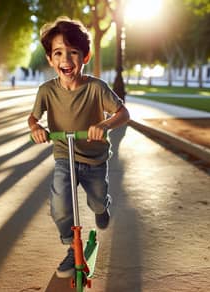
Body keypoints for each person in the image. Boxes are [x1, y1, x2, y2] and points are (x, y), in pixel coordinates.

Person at [28, 17, 130, 278]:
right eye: (59, 53)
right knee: (60, 205)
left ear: (85, 57)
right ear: (51, 59)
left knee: (96, 201)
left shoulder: (97, 88)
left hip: (95, 159)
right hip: (65, 155)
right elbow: (33, 117)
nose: (66, 59)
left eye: (73, 52)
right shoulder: (46, 91)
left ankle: (102, 207)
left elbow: (123, 113)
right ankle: (71, 247)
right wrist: (36, 128)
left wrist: (105, 125)